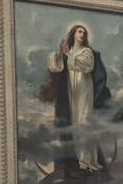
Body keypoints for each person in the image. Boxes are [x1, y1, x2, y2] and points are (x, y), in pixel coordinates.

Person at [38, 23, 111, 172]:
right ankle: (76, 160)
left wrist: (68, 55)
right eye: (79, 32)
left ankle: (86, 160)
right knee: (72, 122)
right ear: (73, 34)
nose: (82, 34)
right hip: (71, 90)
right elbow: (55, 66)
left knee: (84, 121)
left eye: (84, 32)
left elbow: (88, 66)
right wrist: (60, 54)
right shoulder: (68, 51)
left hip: (83, 89)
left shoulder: (87, 52)